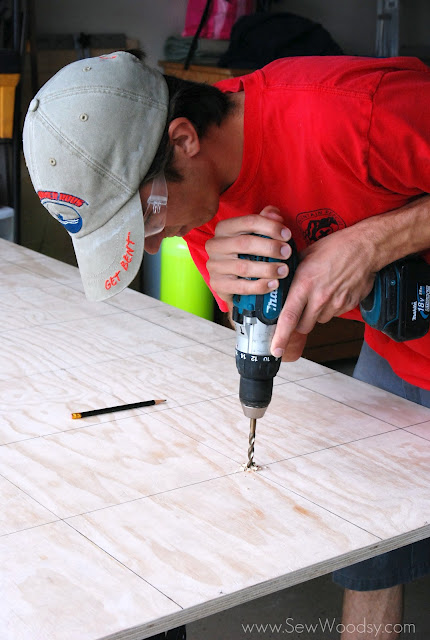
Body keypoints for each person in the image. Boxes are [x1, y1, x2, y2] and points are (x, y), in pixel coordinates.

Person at [23, 49, 430, 640]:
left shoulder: (352, 115)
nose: (156, 246)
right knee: (367, 545)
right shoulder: (202, 199)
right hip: (405, 352)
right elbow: (284, 341)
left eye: (147, 221)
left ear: (183, 139)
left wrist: (375, 242)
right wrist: (253, 301)